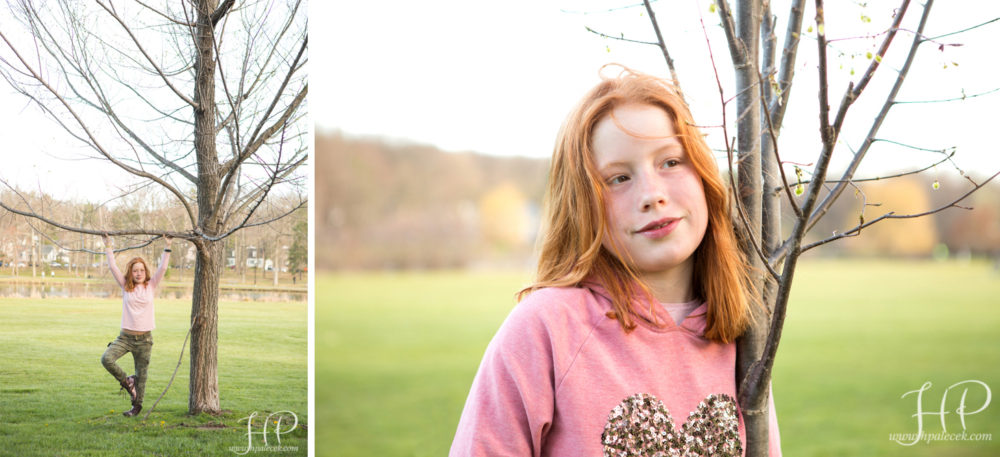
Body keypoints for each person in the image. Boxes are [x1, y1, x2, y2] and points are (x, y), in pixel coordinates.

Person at [450, 67, 781, 456]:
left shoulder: (743, 334)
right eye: (618, 179)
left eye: (671, 162)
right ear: (584, 206)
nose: (652, 194)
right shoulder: (545, 330)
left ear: (704, 175)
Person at [100, 234, 172, 417]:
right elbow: (112, 266)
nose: (138, 273)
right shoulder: (125, 286)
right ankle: (126, 381)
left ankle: (136, 407)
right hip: (125, 337)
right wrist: (108, 245)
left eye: (141, 270)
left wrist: (167, 245)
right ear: (130, 273)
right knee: (106, 359)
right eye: (135, 270)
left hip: (145, 340)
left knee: (142, 376)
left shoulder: (151, 285)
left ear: (145, 272)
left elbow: (163, 267)